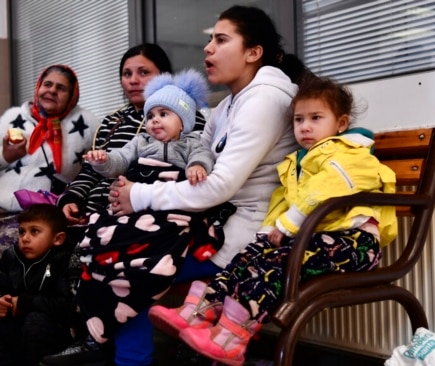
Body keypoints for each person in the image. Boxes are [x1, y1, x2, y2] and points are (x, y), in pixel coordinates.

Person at [64, 5, 309, 366]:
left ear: (253, 52)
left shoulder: (266, 99)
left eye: (221, 39)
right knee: (110, 248)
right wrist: (131, 186)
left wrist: (140, 196)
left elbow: (219, 187)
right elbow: (195, 165)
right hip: (211, 223)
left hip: (247, 236)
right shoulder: (228, 105)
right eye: (209, 39)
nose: (208, 48)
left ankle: (131, 360)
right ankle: (128, 355)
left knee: (126, 262)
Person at [148, 75, 398, 365]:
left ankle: (233, 337)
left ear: (340, 124)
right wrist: (267, 232)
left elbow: (326, 190)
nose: (304, 127)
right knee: (249, 255)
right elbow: (283, 199)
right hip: (312, 239)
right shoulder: (298, 162)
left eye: (316, 118)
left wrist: (287, 225)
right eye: (299, 119)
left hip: (353, 244)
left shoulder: (350, 154)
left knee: (274, 264)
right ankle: (200, 310)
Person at [0, 64, 98, 365]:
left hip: (39, 213)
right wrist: (6, 155)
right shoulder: (15, 116)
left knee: (4, 267)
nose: (50, 91)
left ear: (72, 95)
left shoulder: (86, 124)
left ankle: (6, 335)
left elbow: (94, 171)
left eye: (60, 87)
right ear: (38, 86)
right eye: (46, 84)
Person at [0, 204, 75, 366]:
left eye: (34, 231)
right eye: (22, 232)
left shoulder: (64, 259)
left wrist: (24, 302)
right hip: (17, 325)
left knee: (34, 321)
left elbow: (67, 307)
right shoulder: (11, 255)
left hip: (51, 329)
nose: (25, 238)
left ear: (58, 239)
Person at [85, 68, 213, 185]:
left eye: (163, 114)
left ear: (182, 123)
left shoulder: (191, 142)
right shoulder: (141, 141)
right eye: (150, 116)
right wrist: (104, 160)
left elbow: (202, 154)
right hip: (138, 195)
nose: (155, 120)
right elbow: (122, 158)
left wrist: (197, 166)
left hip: (173, 195)